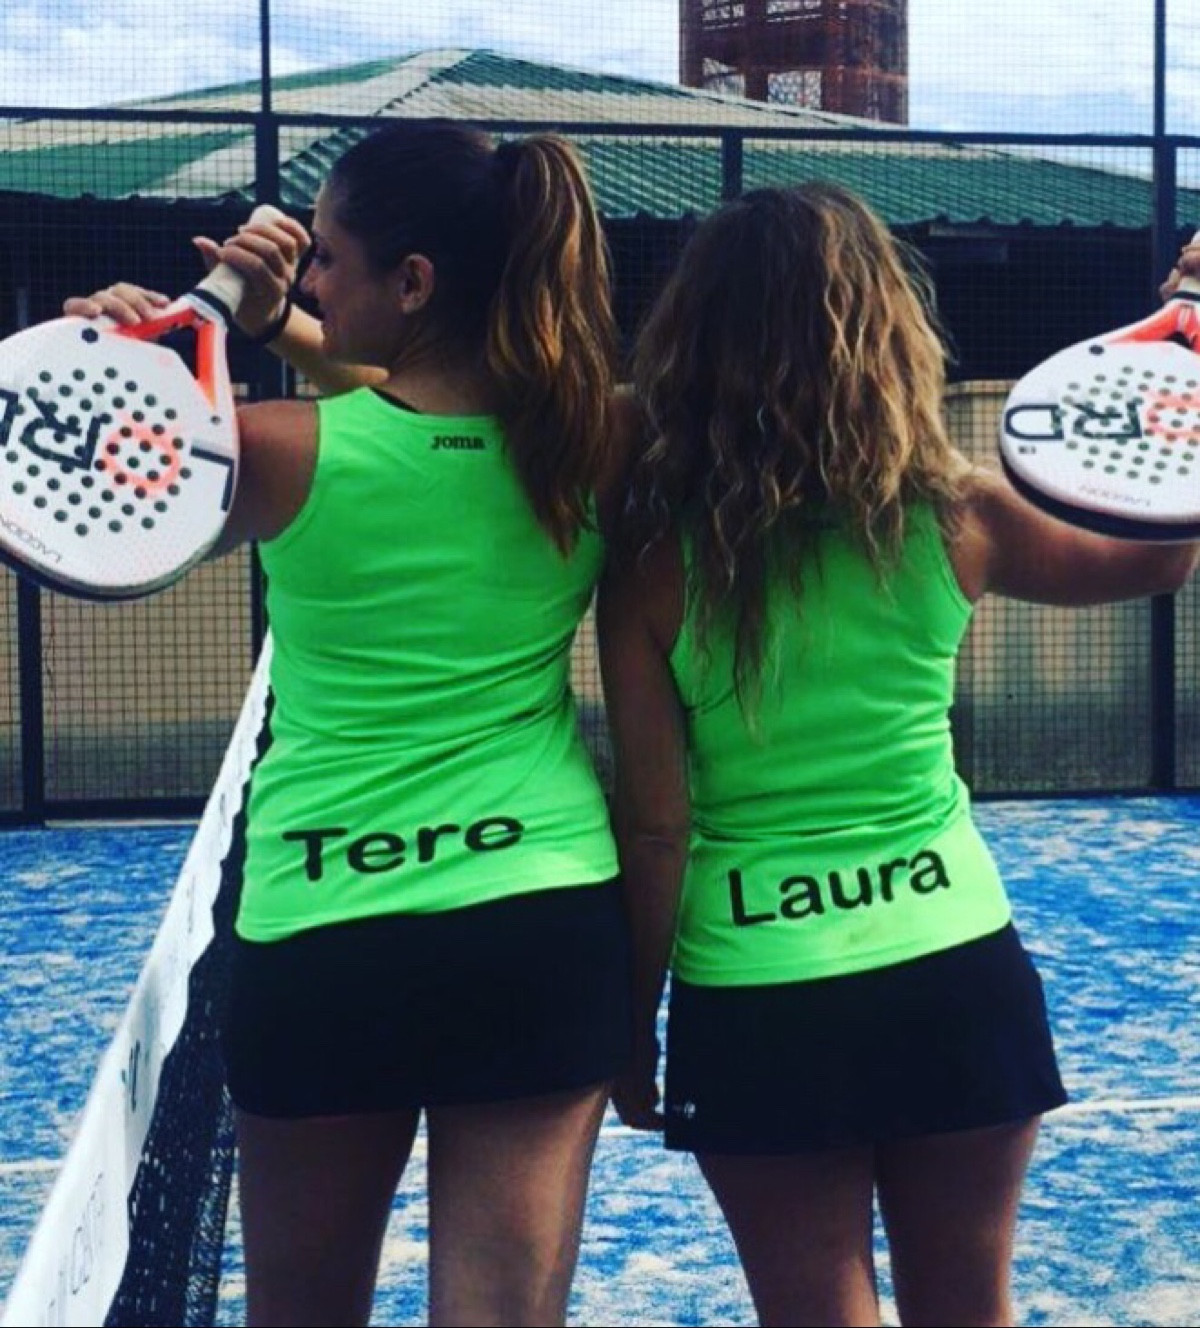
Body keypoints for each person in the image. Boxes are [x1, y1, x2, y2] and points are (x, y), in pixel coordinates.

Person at [596, 180, 1200, 1328]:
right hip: (953, 969)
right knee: (970, 1306)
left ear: (692, 344)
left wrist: (630, 1026)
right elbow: (1159, 555)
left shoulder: (650, 558)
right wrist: (1189, 349)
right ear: (887, 331)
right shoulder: (956, 510)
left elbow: (657, 825)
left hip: (759, 993)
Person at [67, 119, 638, 1328]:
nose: (310, 280)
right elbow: (421, 407)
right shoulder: (596, 443)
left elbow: (64, 486)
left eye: (326, 256)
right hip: (540, 920)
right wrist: (271, 320)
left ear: (414, 282)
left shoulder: (271, 451)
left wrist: (113, 352)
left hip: (327, 932)